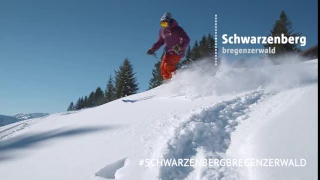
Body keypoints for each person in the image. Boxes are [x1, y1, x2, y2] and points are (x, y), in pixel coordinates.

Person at [147, 12, 190, 81]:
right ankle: (167, 82)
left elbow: (186, 40)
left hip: (177, 51)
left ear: (169, 22)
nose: (164, 26)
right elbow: (160, 42)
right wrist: (152, 49)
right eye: (162, 24)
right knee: (162, 68)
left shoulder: (178, 29)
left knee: (168, 66)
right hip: (168, 52)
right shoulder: (162, 31)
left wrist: (179, 47)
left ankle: (176, 80)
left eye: (165, 23)